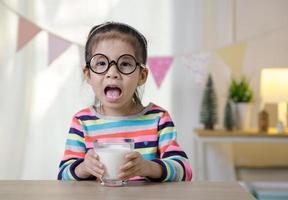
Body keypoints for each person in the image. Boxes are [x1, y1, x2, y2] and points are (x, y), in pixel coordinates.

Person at [58, 22, 192, 182]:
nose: (112, 73)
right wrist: (84, 168)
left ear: (142, 76)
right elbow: (63, 175)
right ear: (88, 75)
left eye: (125, 64)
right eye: (101, 63)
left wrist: (149, 167)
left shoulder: (158, 119)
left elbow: (184, 171)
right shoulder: (82, 122)